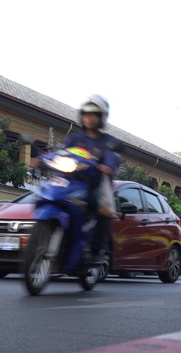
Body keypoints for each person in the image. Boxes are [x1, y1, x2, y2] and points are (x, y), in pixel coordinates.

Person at [60, 94, 122, 264]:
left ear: (101, 117)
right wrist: (43, 159)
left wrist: (107, 165)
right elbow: (60, 152)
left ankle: (97, 249)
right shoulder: (74, 139)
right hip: (71, 182)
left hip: (95, 186)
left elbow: (113, 156)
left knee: (103, 209)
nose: (89, 117)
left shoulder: (108, 141)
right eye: (86, 113)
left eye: (94, 114)